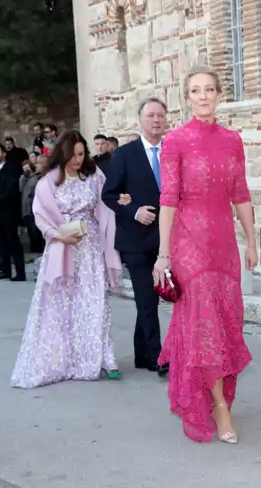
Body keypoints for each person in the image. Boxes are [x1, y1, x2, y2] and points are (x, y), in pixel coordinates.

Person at [153, 65, 257, 443]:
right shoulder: (175, 141)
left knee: (227, 321)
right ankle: (219, 407)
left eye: (209, 89)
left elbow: (241, 194)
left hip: (224, 244)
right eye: (195, 90)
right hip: (188, 244)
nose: (203, 96)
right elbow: (168, 199)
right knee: (205, 324)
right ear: (187, 97)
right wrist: (164, 254)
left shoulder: (232, 140)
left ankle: (216, 394)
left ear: (218, 94)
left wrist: (252, 240)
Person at [10, 131, 123, 389]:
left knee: (95, 303)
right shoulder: (49, 182)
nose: (77, 160)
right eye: (73, 155)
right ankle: (64, 359)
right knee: (62, 305)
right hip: (63, 246)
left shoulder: (95, 177)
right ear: (63, 154)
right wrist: (58, 235)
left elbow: (107, 204)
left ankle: (104, 357)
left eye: (82, 154)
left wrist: (121, 202)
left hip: (92, 247)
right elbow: (40, 215)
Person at [102, 98, 170, 377]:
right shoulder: (125, 154)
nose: (156, 120)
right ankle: (157, 357)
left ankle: (142, 353)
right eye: (151, 116)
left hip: (166, 239)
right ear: (140, 121)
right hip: (135, 240)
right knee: (146, 297)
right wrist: (133, 211)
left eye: (160, 116)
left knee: (152, 299)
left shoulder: (174, 151)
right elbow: (109, 194)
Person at [0, 143, 26, 281]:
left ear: (4, 153)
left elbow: (11, 190)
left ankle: (20, 272)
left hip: (8, 210)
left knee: (12, 240)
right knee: (0, 241)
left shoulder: (11, 168)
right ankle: (5, 270)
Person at [20, 155, 46, 254]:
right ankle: (35, 250)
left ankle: (40, 250)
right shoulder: (31, 177)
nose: (36, 165)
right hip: (27, 208)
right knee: (32, 231)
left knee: (37, 232)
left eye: (38, 163)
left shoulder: (40, 177)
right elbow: (21, 190)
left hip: (36, 208)